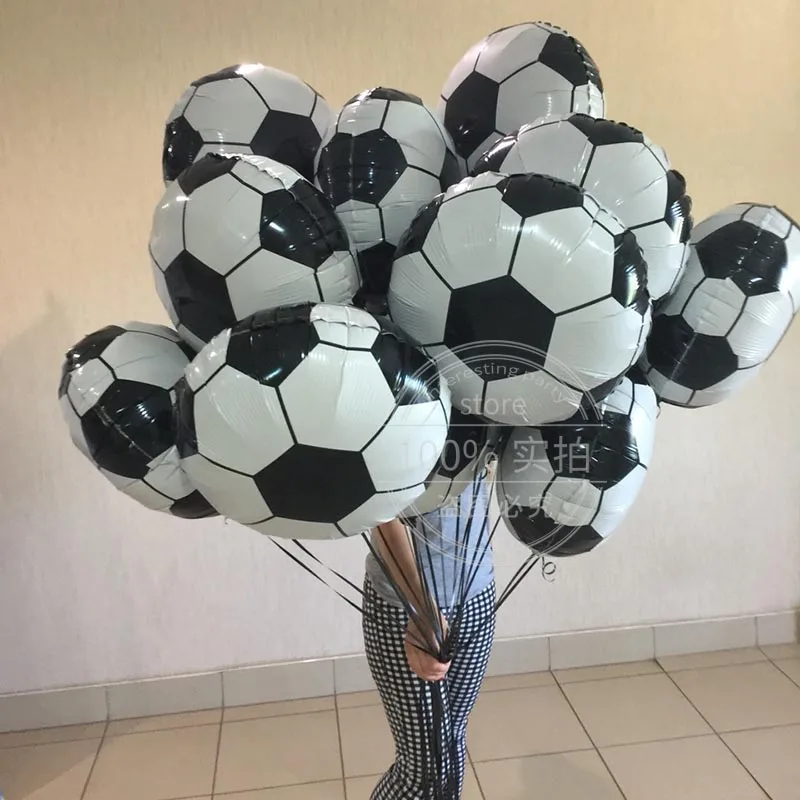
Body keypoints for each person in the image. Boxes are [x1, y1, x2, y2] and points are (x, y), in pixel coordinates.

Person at [363, 462, 497, 799]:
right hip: (402, 603)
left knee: (451, 743)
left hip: (477, 590)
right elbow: (378, 505)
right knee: (422, 770)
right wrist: (420, 606)